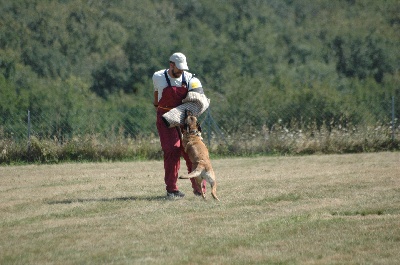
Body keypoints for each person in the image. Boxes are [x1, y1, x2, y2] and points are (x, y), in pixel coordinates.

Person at [152, 52, 207, 199]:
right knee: (172, 150)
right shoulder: (158, 77)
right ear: (171, 65)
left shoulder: (190, 79)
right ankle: (172, 189)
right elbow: (156, 98)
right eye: (179, 68)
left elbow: (198, 96)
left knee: (192, 152)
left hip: (184, 119)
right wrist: (167, 114)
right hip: (165, 118)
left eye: (183, 68)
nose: (181, 71)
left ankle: (199, 188)